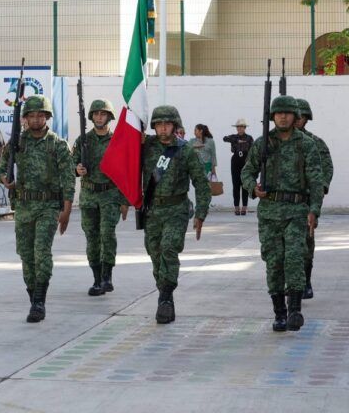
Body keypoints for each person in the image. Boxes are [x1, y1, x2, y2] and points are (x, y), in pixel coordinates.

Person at [241, 95, 323, 332]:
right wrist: (253, 188)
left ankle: (295, 308)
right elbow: (247, 172)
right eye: (279, 113)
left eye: (288, 113)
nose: (283, 116)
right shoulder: (263, 143)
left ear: (296, 117)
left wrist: (314, 211)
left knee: (295, 257)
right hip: (269, 212)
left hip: (297, 210)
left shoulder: (306, 144)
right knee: (274, 262)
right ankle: (279, 312)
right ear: (272, 116)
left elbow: (316, 180)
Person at [0, 95, 75, 323]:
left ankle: (39, 301)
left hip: (48, 207)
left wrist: (67, 211)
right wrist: (6, 179)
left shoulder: (57, 145)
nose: (35, 119)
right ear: (24, 119)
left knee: (41, 252)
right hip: (23, 206)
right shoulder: (16, 143)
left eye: (40, 115)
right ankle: (33, 296)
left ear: (47, 117)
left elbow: (68, 179)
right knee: (26, 255)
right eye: (31, 115)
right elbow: (1, 168)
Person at [142, 106, 210, 325]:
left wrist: (200, 213)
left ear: (175, 125)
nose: (163, 128)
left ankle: (166, 298)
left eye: (167, 124)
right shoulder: (146, 147)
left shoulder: (185, 150)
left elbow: (201, 183)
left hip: (176, 210)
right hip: (152, 211)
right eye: (159, 124)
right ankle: (163, 288)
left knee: (169, 249)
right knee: (155, 253)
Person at [72, 99, 129, 297]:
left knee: (107, 234)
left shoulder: (117, 141)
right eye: (95, 114)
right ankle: (96, 278)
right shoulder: (82, 140)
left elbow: (125, 172)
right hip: (88, 195)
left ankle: (107, 277)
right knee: (92, 238)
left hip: (110, 195)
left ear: (109, 117)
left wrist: (124, 201)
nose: (99, 117)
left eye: (102, 114)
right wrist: (77, 169)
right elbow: (72, 165)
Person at [295, 98, 333, 300]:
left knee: (307, 242)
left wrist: (321, 188)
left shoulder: (315, 143)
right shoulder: (276, 140)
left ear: (307, 119)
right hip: (283, 201)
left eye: (302, 117)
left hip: (307, 199)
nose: (298, 120)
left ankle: (306, 280)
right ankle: (291, 282)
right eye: (297, 116)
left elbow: (327, 167)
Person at [223, 119, 254, 215]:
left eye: (241, 127)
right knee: (236, 184)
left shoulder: (249, 138)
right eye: (238, 127)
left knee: (245, 184)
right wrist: (236, 140)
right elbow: (224, 138)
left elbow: (252, 149)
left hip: (245, 160)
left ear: (245, 128)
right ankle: (236, 207)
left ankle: (244, 207)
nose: (239, 128)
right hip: (236, 159)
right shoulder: (233, 136)